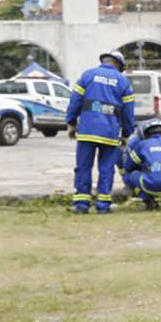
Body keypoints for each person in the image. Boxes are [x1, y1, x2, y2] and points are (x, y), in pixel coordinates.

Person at [65, 50, 136, 214]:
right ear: (118, 65)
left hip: (87, 130)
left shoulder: (87, 76)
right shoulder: (123, 82)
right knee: (106, 169)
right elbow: (128, 112)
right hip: (110, 133)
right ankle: (103, 205)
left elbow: (75, 100)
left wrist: (71, 122)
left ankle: (81, 205)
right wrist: (126, 133)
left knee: (83, 167)